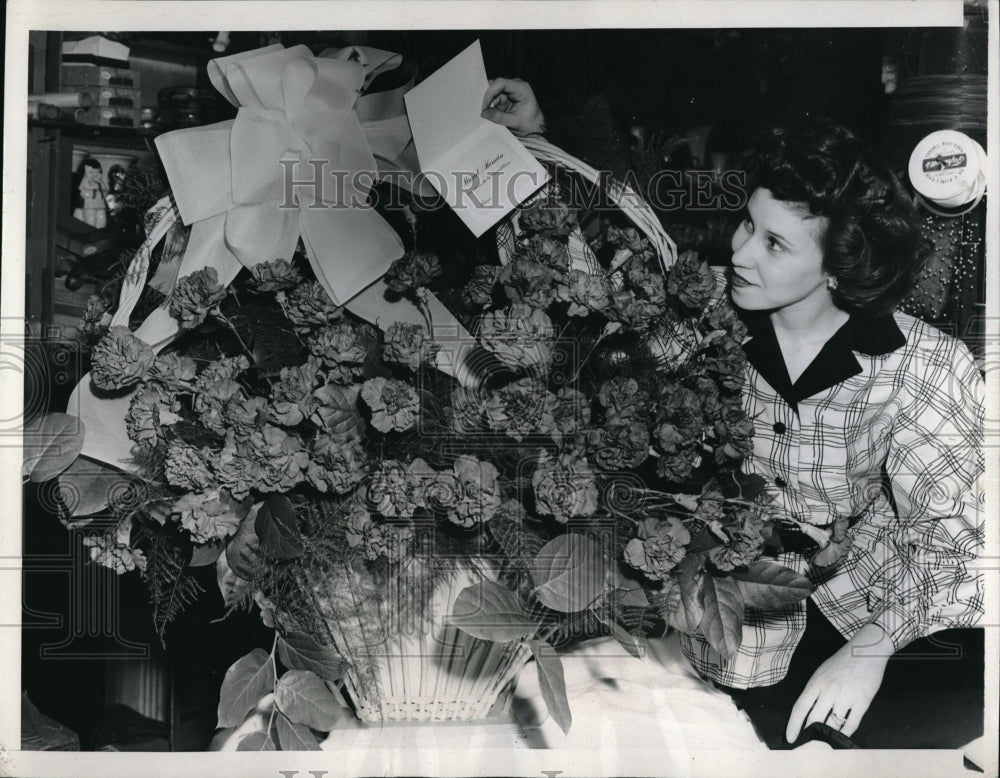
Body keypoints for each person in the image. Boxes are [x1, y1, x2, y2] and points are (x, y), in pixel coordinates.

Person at [483, 77, 985, 748]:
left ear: (839, 265)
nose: (740, 251)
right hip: (723, 623)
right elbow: (598, 278)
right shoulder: (706, 313)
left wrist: (871, 649)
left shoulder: (922, 366)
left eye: (775, 244)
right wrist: (536, 131)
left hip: (877, 622)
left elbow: (965, 543)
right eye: (747, 222)